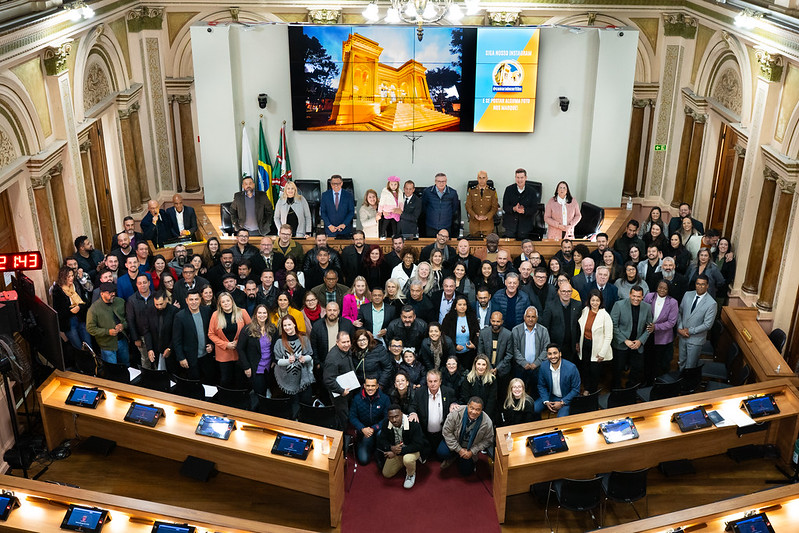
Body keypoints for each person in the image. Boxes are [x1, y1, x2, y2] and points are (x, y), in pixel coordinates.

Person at [610, 285, 653, 387]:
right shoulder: (619, 305)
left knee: (637, 370)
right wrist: (625, 340)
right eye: (633, 296)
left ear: (642, 297)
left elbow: (649, 327)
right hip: (621, 344)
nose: (636, 299)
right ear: (630, 295)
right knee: (617, 369)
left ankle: (631, 389)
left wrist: (640, 341)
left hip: (637, 344)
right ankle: (616, 390)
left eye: (638, 297)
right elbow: (613, 325)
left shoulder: (647, 307)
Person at [439, 397, 494, 476]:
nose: (474, 412)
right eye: (471, 408)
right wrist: (459, 450)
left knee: (466, 472)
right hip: (455, 442)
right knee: (442, 452)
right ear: (467, 406)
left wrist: (472, 451)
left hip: (470, 448)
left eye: (477, 409)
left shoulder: (487, 422)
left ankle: (459, 458)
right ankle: (455, 456)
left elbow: (488, 440)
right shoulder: (456, 413)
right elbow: (447, 432)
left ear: (481, 410)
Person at [273, 314, 315, 415]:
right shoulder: (279, 342)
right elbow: (277, 361)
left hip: (303, 377)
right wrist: (288, 361)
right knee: (292, 406)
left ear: (294, 325)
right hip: (287, 378)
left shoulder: (304, 338)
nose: (287, 328)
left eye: (289, 325)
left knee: (306, 403)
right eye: (285, 325)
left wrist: (304, 358)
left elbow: (310, 355)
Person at [208, 291, 251, 388]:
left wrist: (240, 342)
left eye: (228, 300)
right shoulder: (215, 315)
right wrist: (225, 344)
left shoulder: (242, 312)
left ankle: (240, 400)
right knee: (226, 379)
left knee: (240, 380)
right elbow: (211, 334)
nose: (226, 303)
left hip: (240, 353)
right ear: (220, 304)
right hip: (224, 354)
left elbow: (251, 330)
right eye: (223, 302)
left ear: (232, 301)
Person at [377, 404, 424, 489]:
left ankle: (410, 474)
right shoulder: (386, 423)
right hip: (396, 450)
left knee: (408, 459)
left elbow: (419, 445)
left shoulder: (413, 423)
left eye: (396, 416)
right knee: (387, 473)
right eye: (391, 417)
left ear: (402, 414)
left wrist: (397, 452)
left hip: (412, 450)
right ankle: (404, 463)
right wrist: (391, 448)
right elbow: (382, 440)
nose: (394, 420)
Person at [677, 275, 717, 370]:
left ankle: (687, 384)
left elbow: (707, 325)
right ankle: (680, 382)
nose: (700, 286)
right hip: (682, 336)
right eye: (698, 284)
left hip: (695, 339)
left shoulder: (712, 303)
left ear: (707, 286)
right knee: (681, 362)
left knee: (690, 366)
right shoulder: (687, 295)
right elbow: (680, 312)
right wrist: (680, 328)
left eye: (703, 284)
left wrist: (689, 331)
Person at [172, 289, 214, 381]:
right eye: (191, 300)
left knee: (209, 381)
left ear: (200, 299)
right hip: (190, 358)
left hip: (206, 356)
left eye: (196, 299)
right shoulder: (180, 316)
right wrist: (181, 357)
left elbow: (211, 331)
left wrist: (211, 344)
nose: (194, 302)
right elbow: (176, 340)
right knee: (194, 382)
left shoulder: (207, 311)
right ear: (186, 300)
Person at [577, 290, 613, 394]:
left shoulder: (605, 315)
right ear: (589, 301)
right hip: (585, 345)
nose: (595, 303)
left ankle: (592, 392)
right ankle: (587, 389)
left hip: (597, 348)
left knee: (594, 372)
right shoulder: (585, 311)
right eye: (593, 300)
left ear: (601, 301)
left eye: (597, 300)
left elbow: (608, 336)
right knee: (585, 369)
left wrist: (602, 353)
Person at [86, 282, 129, 365]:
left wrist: (123, 325)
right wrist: (107, 332)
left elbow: (128, 318)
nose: (113, 294)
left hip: (122, 340)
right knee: (112, 369)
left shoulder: (120, 302)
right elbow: (90, 328)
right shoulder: (93, 309)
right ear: (101, 294)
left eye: (114, 292)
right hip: (107, 345)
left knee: (125, 365)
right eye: (109, 292)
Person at [643, 280, 679, 380]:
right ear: (657, 287)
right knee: (647, 359)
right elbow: (643, 312)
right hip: (647, 334)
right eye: (660, 287)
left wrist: (656, 327)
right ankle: (646, 380)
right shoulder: (649, 296)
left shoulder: (673, 302)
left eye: (665, 288)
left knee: (658, 362)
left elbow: (671, 322)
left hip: (662, 338)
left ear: (668, 290)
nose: (662, 290)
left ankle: (656, 381)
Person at [237, 304, 275, 396]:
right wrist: (246, 367)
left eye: (264, 313)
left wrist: (274, 360)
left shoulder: (272, 329)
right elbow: (240, 348)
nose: (262, 315)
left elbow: (275, 346)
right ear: (255, 315)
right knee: (259, 391)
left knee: (268, 388)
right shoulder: (247, 330)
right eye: (259, 313)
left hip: (269, 367)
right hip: (255, 367)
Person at [53, 266, 92, 355]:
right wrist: (71, 311)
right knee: (77, 347)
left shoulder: (76, 285)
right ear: (63, 277)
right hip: (69, 322)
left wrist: (79, 307)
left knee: (88, 344)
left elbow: (85, 302)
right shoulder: (58, 290)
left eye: (72, 276)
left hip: (81, 318)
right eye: (68, 276)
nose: (71, 278)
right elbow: (58, 311)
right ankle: (82, 367)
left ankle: (93, 364)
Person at [534, 344, 581, 418]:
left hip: (566, 398)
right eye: (550, 354)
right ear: (547, 355)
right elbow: (541, 385)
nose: (552, 356)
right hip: (550, 396)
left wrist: (562, 402)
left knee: (561, 418)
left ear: (560, 354)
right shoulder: (543, 366)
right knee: (534, 409)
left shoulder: (571, 368)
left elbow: (575, 389)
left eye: (555, 353)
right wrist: (546, 401)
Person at [540, 282, 582, 364]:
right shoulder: (550, 305)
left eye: (569, 291)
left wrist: (577, 341)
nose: (566, 294)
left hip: (571, 346)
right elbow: (546, 326)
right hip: (555, 345)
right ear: (559, 291)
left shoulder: (577, 305)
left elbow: (578, 325)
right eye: (563, 291)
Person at [324, 331, 356, 429]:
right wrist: (341, 391)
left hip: (349, 389)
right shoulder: (332, 358)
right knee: (343, 417)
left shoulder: (346, 351)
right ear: (337, 342)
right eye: (343, 342)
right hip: (340, 394)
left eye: (348, 341)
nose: (347, 345)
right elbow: (328, 380)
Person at [310, 301, 354, 369]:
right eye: (329, 310)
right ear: (325, 311)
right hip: (324, 363)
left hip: (344, 362)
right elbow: (313, 346)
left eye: (334, 310)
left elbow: (353, 342)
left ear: (338, 311)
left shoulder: (347, 324)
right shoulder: (317, 325)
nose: (332, 313)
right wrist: (317, 363)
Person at [142, 291, 178, 373]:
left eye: (161, 304)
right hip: (156, 348)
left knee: (172, 372)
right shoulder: (149, 311)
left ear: (166, 300)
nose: (159, 307)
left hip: (171, 350)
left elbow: (176, 333)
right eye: (156, 304)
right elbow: (147, 331)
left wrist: (170, 348)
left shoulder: (174, 311)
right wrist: (149, 349)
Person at [441, 295, 479, 369]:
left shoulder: (472, 317)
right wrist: (454, 346)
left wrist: (474, 344)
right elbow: (444, 335)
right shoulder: (448, 318)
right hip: (453, 353)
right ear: (455, 306)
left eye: (464, 304)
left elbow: (477, 333)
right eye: (460, 304)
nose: (462, 307)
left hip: (469, 354)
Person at [126, 274, 154, 368]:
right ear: (137, 285)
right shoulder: (132, 300)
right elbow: (130, 320)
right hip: (141, 336)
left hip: (156, 334)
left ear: (149, 283)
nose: (143, 285)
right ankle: (147, 378)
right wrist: (136, 338)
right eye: (140, 283)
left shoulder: (156, 296)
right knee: (145, 359)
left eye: (145, 282)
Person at [459, 353, 498, 420]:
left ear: (487, 366)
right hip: (471, 413)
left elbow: (492, 399)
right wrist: (474, 412)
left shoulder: (492, 379)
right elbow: (466, 397)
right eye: (478, 364)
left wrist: (485, 415)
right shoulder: (468, 378)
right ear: (475, 365)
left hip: (487, 413)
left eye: (483, 364)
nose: (481, 367)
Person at [421, 173, 460, 237]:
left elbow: (454, 208)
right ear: (435, 182)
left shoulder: (452, 193)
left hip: (446, 226)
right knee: (431, 245)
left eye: (443, 181)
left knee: (445, 245)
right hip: (431, 225)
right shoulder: (428, 192)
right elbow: (424, 207)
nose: (441, 183)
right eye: (439, 181)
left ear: (446, 181)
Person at [502, 168, 537, 239]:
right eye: (517, 177)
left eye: (521, 177)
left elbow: (534, 209)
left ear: (525, 178)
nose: (519, 180)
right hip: (510, 226)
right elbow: (505, 207)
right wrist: (514, 208)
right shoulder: (509, 189)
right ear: (515, 178)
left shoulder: (532, 191)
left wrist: (524, 211)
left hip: (525, 227)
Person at [465, 170, 499, 237]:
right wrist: (475, 215)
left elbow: (494, 207)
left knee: (488, 244)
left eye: (483, 178)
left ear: (487, 178)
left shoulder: (492, 191)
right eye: (480, 178)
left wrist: (487, 216)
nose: (482, 180)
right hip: (474, 224)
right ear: (477, 179)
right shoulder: (471, 190)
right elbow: (468, 206)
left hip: (487, 224)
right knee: (475, 244)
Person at [713, 237, 736, 306]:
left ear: (728, 247)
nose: (723, 246)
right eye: (721, 244)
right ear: (718, 245)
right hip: (709, 288)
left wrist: (720, 285)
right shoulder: (712, 255)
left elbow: (730, 277)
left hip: (721, 291)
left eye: (725, 245)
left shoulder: (730, 260)